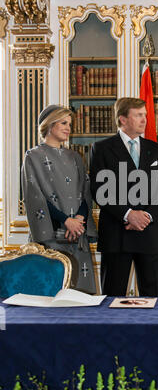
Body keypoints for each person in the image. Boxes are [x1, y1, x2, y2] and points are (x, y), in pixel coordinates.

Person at [90, 97, 158, 297]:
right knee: (112, 297)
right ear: (123, 119)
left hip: (148, 232)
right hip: (116, 233)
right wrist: (128, 214)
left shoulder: (157, 150)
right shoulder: (101, 148)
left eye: (145, 115)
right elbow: (99, 189)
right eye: (139, 115)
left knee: (153, 299)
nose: (145, 120)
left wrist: (146, 217)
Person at [21, 104, 98, 294]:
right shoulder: (33, 156)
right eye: (63, 123)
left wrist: (79, 219)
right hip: (51, 236)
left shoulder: (75, 157)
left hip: (77, 235)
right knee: (52, 293)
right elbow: (34, 197)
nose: (68, 128)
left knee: (80, 294)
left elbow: (85, 192)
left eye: (69, 124)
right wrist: (66, 221)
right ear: (49, 125)